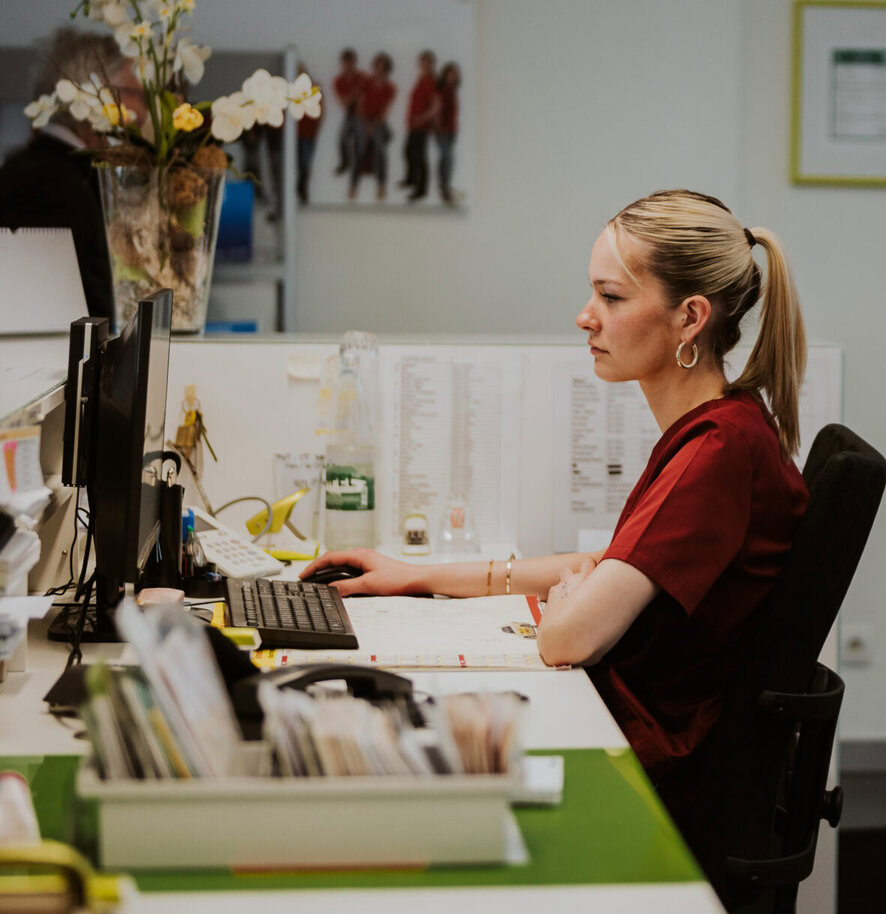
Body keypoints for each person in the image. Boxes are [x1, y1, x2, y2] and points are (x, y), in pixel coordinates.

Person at [303, 189, 808, 836]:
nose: (585, 316)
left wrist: (574, 604)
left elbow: (567, 638)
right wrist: (416, 576)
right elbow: (603, 565)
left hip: (649, 775)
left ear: (690, 318)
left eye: (611, 297)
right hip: (633, 735)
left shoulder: (718, 451)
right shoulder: (721, 430)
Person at [0, 26, 144, 320]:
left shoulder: (45, 171)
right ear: (92, 97)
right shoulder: (49, 185)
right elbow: (38, 315)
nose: (143, 113)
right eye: (133, 93)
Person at [349, 52, 397, 203]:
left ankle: (381, 186)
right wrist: (365, 124)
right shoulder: (366, 82)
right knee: (360, 149)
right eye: (377, 67)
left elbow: (385, 110)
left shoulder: (390, 88)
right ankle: (354, 186)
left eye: (382, 68)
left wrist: (374, 125)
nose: (379, 71)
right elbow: (359, 105)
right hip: (362, 119)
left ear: (387, 70)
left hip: (377, 122)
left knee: (381, 150)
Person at [402, 50, 439, 200]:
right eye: (423, 62)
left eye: (428, 62)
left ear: (433, 64)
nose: (425, 65)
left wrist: (422, 119)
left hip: (422, 125)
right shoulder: (421, 79)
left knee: (419, 156)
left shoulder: (434, 82)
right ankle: (410, 180)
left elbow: (436, 107)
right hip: (413, 124)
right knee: (408, 151)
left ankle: (421, 190)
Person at [294, 60, 322, 205]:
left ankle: (302, 188)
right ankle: (299, 189)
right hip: (297, 132)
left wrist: (318, 127)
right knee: (298, 162)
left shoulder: (314, 89)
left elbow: (321, 110)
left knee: (305, 161)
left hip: (309, 132)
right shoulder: (292, 90)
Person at [332, 49, 363, 179]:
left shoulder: (362, 77)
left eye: (351, 63)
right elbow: (344, 103)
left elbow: (365, 97)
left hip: (363, 114)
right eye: (346, 63)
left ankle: (359, 166)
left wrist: (354, 98)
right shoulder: (339, 81)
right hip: (350, 114)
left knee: (360, 141)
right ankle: (345, 163)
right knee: (342, 138)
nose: (348, 66)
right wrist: (354, 96)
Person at [435, 62, 461, 205]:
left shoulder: (453, 91)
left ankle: (443, 187)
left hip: (451, 130)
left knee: (445, 158)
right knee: (448, 158)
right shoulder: (442, 90)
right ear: (445, 75)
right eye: (450, 74)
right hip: (442, 131)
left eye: (455, 74)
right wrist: (438, 126)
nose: (453, 77)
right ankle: (445, 188)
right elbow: (437, 109)